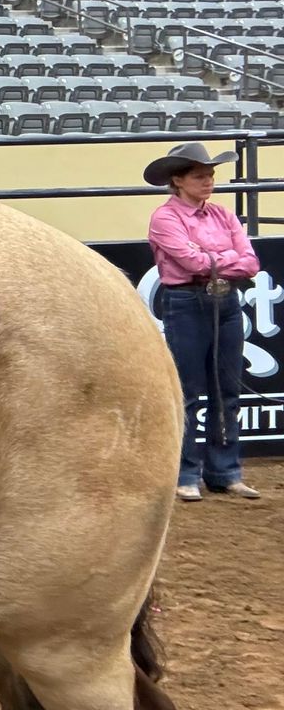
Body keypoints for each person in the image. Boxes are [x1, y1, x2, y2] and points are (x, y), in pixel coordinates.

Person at [144, 141, 263, 502]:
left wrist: (213, 258)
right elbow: (194, 264)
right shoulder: (165, 218)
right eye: (199, 176)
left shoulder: (223, 214)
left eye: (210, 176)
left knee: (226, 390)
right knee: (189, 392)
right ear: (178, 180)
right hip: (186, 301)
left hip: (223, 300)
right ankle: (186, 472)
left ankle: (224, 472)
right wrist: (224, 257)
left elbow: (251, 262)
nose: (208, 182)